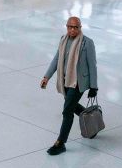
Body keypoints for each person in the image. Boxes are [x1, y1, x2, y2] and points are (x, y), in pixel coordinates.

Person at [40, 16, 98, 155]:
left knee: (67, 111)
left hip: (78, 83)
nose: (72, 29)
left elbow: (92, 66)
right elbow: (56, 59)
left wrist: (94, 87)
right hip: (65, 80)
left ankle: (61, 143)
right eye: (70, 27)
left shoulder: (87, 43)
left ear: (80, 28)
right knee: (71, 106)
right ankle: (92, 125)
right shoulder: (63, 40)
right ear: (66, 27)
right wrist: (46, 77)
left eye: (75, 27)